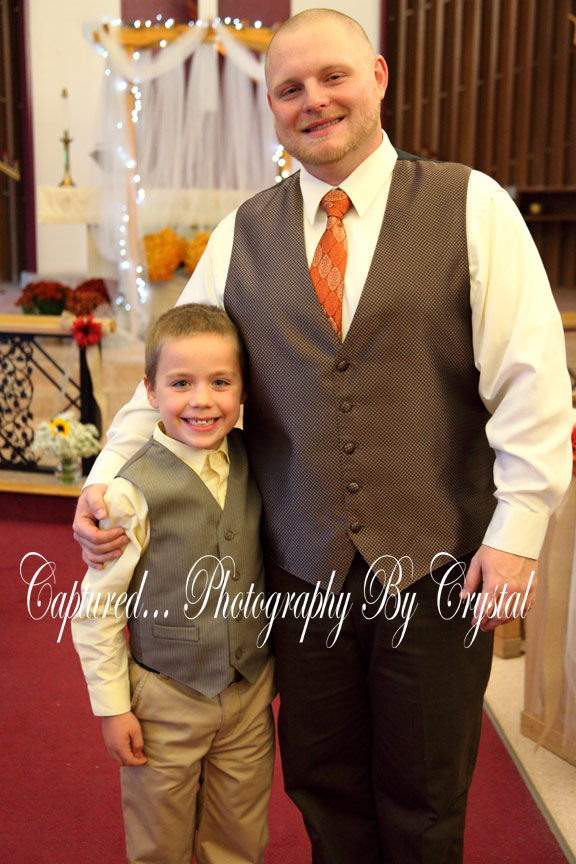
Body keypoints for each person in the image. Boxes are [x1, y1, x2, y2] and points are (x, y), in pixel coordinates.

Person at [73, 9, 573, 864]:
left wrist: (518, 533)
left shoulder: (472, 205)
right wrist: (103, 478)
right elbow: (175, 372)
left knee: (425, 794)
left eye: (333, 77)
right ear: (272, 107)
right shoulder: (242, 233)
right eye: (289, 89)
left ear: (377, 77)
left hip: (437, 564)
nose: (314, 101)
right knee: (324, 782)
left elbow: (533, 379)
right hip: (301, 572)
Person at [72, 303, 275, 864]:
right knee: (160, 840)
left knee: (240, 837)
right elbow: (98, 609)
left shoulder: (256, 462)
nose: (202, 400)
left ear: (243, 390)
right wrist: (113, 707)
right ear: (150, 391)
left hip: (248, 695)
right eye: (181, 383)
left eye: (220, 383)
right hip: (165, 698)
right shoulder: (128, 491)